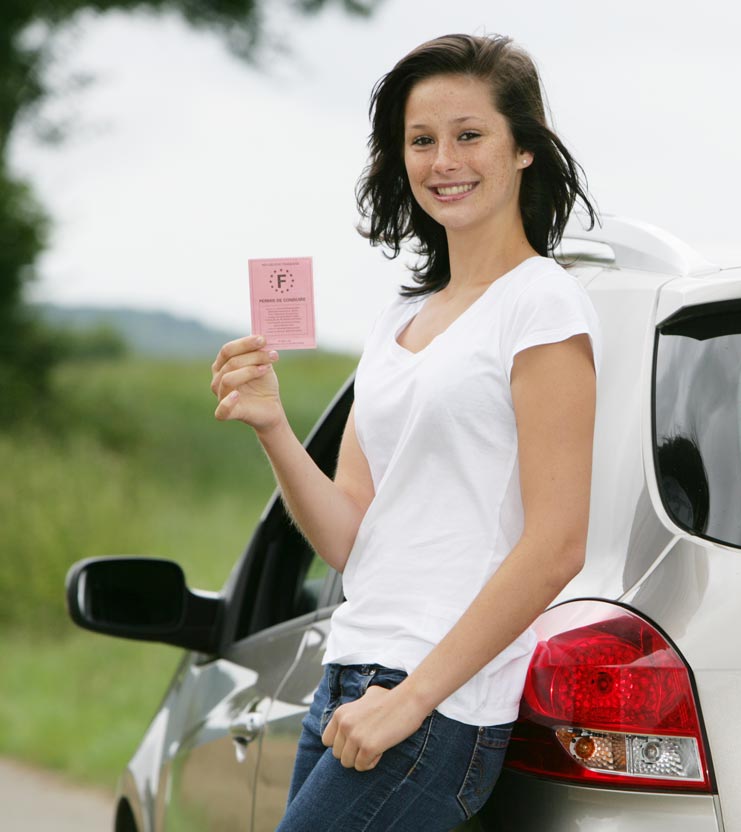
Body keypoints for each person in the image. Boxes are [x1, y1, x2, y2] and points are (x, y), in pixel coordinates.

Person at [209, 33, 599, 831]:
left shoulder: (542, 306)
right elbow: (353, 536)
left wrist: (413, 698)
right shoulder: (400, 320)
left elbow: (558, 544)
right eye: (421, 140)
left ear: (522, 148)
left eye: (469, 135)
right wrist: (273, 426)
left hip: (433, 702)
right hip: (348, 675)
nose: (443, 160)